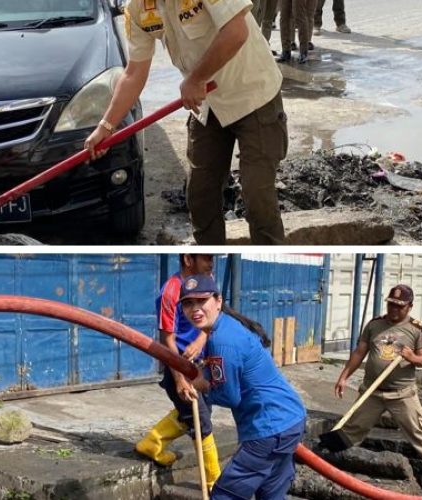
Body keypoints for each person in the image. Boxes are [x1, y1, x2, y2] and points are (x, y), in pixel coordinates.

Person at [84, 0, 287, 245]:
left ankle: (261, 266)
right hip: (207, 105)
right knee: (201, 198)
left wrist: (196, 79)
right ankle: (207, 268)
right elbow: (134, 73)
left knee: (257, 197)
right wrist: (106, 126)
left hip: (253, 94)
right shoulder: (137, 9)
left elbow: (236, 32)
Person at [179, 274, 307, 499]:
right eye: (188, 303)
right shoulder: (226, 326)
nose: (195, 309)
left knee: (224, 494)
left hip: (269, 427)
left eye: (202, 301)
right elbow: (227, 368)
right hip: (290, 418)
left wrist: (201, 385)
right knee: (271, 494)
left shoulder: (222, 340)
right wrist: (202, 371)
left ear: (218, 301)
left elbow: (230, 397)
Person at [331, 285, 422, 481]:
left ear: (409, 307)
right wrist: (344, 377)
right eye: (391, 305)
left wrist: (412, 356)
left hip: (402, 393)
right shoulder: (374, 325)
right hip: (372, 391)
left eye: (399, 306)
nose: (394, 309)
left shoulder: (416, 329)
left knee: (420, 432)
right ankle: (332, 461)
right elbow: (360, 352)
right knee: (353, 427)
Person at [135, 254, 220, 490]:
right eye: (206, 258)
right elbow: (166, 341)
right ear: (187, 259)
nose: (211, 262)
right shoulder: (170, 292)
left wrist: (202, 340)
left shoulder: (207, 280)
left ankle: (152, 442)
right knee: (201, 423)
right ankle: (215, 482)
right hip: (179, 369)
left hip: (200, 367)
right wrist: (180, 379)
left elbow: (214, 318)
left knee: (195, 415)